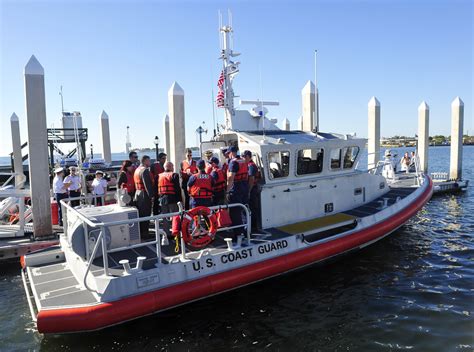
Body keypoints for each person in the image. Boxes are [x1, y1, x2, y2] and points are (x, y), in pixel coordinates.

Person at [226, 146, 249, 238]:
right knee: (243, 210)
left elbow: (231, 178)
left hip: (236, 188)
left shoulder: (233, 162)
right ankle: (245, 230)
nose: (228, 155)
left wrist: (227, 191)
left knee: (235, 212)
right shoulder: (243, 161)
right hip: (244, 187)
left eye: (229, 153)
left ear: (232, 152)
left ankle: (238, 234)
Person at [158, 162, 182, 236]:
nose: (173, 167)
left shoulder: (159, 176)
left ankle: (166, 233)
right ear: (170, 167)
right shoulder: (174, 175)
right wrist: (180, 200)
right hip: (172, 199)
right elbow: (177, 189)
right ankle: (175, 232)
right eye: (173, 166)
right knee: (175, 216)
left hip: (162, 199)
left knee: (165, 217)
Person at [134, 155, 154, 237]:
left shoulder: (137, 170)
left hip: (137, 193)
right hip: (143, 194)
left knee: (141, 213)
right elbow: (147, 185)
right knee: (146, 213)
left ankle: (142, 232)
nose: (150, 162)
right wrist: (151, 196)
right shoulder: (144, 171)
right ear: (145, 161)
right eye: (149, 161)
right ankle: (145, 233)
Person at [243, 150, 261, 231]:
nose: (244, 158)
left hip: (252, 189)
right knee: (250, 207)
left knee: (252, 208)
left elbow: (251, 179)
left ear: (248, 157)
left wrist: (249, 192)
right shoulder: (248, 165)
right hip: (251, 188)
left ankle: (253, 227)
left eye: (245, 157)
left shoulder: (251, 166)